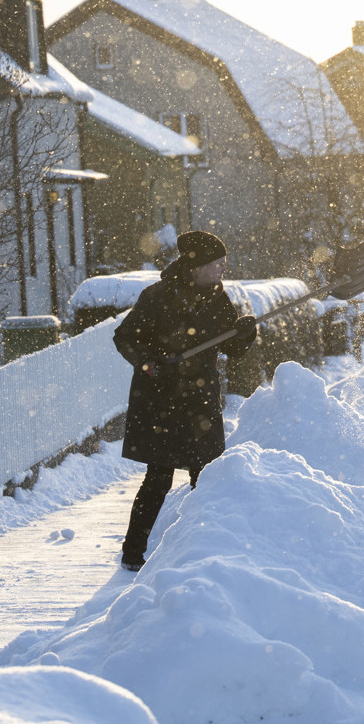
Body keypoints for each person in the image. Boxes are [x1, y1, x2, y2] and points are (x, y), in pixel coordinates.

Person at [112, 230, 258, 571]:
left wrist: (245, 334)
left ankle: (206, 549)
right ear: (196, 266)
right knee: (158, 478)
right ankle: (133, 552)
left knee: (206, 478)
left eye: (223, 263)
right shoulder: (158, 297)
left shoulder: (218, 298)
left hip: (200, 402)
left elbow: (230, 349)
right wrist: (150, 363)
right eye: (217, 264)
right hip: (161, 399)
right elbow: (125, 338)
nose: (223, 269)